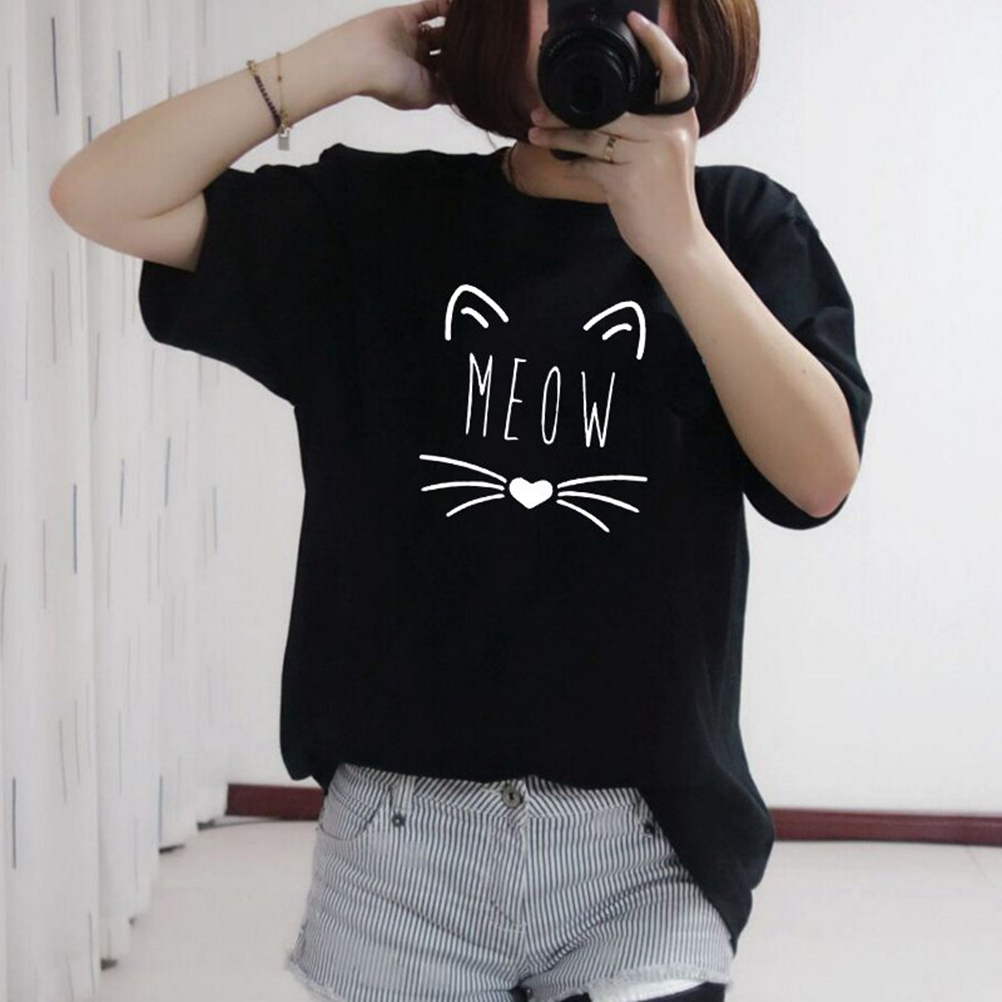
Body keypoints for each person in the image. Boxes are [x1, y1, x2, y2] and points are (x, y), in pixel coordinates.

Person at [50, 1, 873, 1000]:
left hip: (648, 853)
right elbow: (100, 196)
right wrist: (338, 62)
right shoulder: (379, 219)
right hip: (398, 858)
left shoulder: (740, 227)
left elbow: (818, 478)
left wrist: (678, 244)